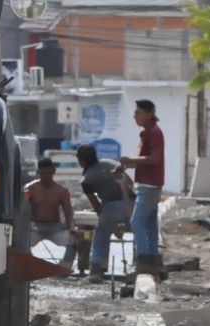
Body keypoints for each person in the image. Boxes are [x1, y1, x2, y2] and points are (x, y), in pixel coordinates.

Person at [119, 99, 164, 277]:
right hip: (148, 182)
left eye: (138, 112)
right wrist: (124, 167)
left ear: (149, 114)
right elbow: (145, 162)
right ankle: (153, 261)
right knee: (150, 225)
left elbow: (154, 159)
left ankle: (143, 260)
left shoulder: (154, 133)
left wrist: (130, 160)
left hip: (149, 185)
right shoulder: (148, 133)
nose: (135, 116)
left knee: (136, 222)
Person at [75, 143, 130, 283]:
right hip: (132, 202)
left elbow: (97, 205)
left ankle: (94, 273)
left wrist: (110, 224)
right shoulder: (110, 162)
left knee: (100, 238)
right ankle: (143, 267)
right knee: (141, 233)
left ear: (82, 160)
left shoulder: (86, 179)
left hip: (112, 207)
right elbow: (130, 182)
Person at [24, 157, 77, 268]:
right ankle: (30, 265)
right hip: (35, 227)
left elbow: (68, 211)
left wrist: (71, 228)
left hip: (55, 228)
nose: (46, 176)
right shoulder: (30, 189)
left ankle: (65, 267)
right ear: (38, 173)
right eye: (43, 173)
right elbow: (23, 209)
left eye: (49, 172)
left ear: (54, 171)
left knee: (73, 240)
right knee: (20, 241)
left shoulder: (62, 191)